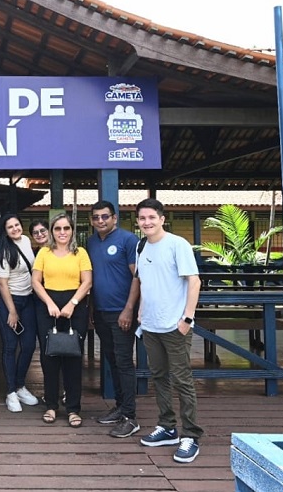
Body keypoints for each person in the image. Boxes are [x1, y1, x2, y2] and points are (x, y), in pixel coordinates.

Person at [134, 198, 204, 464]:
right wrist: (141, 310)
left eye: (152, 217)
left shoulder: (177, 244)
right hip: (150, 325)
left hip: (175, 325)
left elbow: (194, 281)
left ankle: (191, 435)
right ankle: (168, 426)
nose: (147, 222)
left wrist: (187, 317)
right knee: (159, 376)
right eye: (142, 218)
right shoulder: (141, 246)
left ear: (162, 219)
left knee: (182, 379)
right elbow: (144, 282)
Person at [86, 200, 141, 438]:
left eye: (105, 216)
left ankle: (130, 416)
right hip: (100, 312)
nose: (100, 221)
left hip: (122, 312)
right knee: (111, 360)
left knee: (124, 362)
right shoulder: (90, 242)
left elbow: (137, 277)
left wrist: (129, 309)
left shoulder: (128, 240)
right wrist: (90, 312)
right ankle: (120, 407)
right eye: (96, 217)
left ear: (114, 218)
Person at [31, 213, 92, 428]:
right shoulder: (44, 253)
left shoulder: (80, 253)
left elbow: (86, 282)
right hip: (48, 307)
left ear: (72, 230)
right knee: (49, 358)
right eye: (58, 229)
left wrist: (72, 303)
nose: (62, 232)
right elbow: (36, 281)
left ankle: (73, 408)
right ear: (52, 231)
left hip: (75, 307)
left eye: (66, 228)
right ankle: (51, 405)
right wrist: (49, 303)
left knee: (74, 358)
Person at [0, 213, 40, 412]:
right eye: (10, 227)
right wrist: (12, 311)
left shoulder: (27, 241)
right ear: (5, 231)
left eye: (17, 225)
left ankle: (21, 385)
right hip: (9, 302)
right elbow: (2, 283)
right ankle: (11, 391)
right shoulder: (4, 251)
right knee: (10, 346)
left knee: (29, 345)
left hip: (28, 299)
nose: (15, 229)